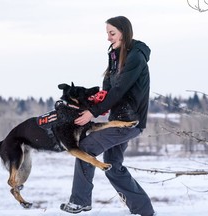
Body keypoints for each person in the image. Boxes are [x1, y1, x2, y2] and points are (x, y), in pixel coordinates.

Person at [60, 16, 155, 216]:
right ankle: (144, 211)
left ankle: (80, 201)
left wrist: (92, 113)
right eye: (107, 33)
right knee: (113, 165)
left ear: (124, 32)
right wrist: (96, 101)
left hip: (130, 121)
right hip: (118, 119)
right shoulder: (115, 55)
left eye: (112, 33)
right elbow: (109, 87)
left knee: (86, 148)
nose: (108, 38)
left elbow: (120, 90)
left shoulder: (135, 56)